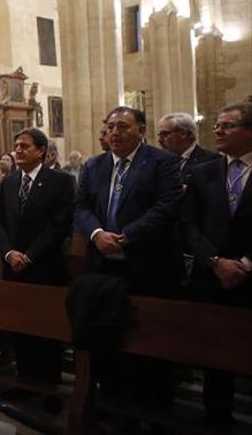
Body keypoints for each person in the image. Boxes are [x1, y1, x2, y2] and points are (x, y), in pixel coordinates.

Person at [75, 106, 183, 407]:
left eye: (122, 126)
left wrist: (127, 236)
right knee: (105, 340)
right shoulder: (94, 165)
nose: (114, 133)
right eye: (110, 127)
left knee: (150, 343)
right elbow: (81, 207)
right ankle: (113, 401)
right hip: (101, 267)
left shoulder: (163, 162)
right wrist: (97, 234)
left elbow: (167, 206)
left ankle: (153, 409)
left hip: (147, 265)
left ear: (141, 130)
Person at [181, 101, 252, 431]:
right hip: (209, 277)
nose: (217, 130)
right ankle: (216, 418)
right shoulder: (204, 171)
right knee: (213, 358)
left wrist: (244, 265)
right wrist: (214, 261)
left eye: (228, 126)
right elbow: (188, 224)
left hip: (248, 280)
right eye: (217, 125)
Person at [0, 128, 74, 391]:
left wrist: (29, 256)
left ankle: (50, 387)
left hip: (44, 266)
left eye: (24, 146)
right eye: (16, 146)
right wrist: (8, 254)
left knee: (46, 331)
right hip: (13, 267)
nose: (18, 150)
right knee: (18, 328)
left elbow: (59, 226)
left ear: (41, 151)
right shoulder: (9, 182)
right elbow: (0, 224)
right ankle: (24, 381)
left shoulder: (60, 181)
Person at [157, 112, 221, 181]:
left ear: (183, 134)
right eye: (159, 135)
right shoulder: (162, 162)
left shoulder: (210, 160)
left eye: (164, 134)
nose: (160, 140)